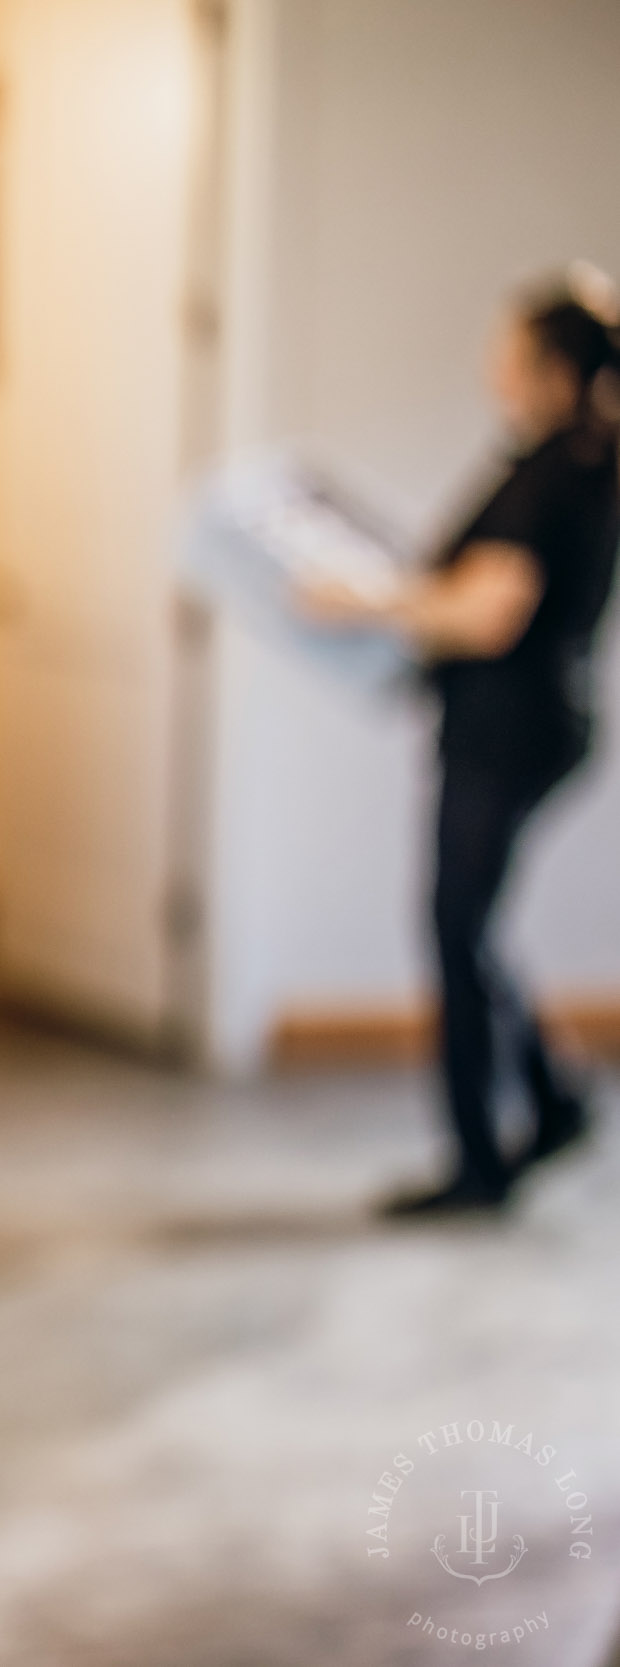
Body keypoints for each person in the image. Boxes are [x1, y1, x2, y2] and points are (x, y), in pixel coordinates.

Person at [300, 267, 620, 1216]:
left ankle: (482, 1163)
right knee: (469, 927)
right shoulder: (584, 459)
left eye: (506, 350)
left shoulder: (552, 470)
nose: (492, 366)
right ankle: (554, 1099)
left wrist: (361, 602)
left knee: (456, 928)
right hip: (541, 722)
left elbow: (489, 613)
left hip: (506, 731)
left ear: (549, 366)